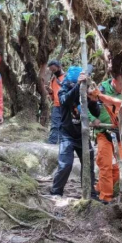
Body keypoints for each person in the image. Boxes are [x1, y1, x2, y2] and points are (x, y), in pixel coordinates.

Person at [50, 66, 99, 198]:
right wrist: (77, 86)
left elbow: (96, 112)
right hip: (67, 134)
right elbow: (65, 100)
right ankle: (56, 191)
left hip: (82, 135)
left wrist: (93, 100)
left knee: (88, 164)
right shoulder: (63, 90)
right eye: (73, 83)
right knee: (66, 164)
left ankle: (89, 193)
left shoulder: (85, 92)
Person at [90, 75, 122, 203]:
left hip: (120, 135)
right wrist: (93, 119)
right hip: (104, 132)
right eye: (121, 85)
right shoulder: (101, 90)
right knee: (105, 164)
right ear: (115, 82)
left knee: (118, 168)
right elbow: (87, 105)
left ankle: (100, 187)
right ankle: (105, 196)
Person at [46, 60, 65, 145]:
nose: (53, 72)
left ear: (59, 67)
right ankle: (52, 143)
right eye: (52, 71)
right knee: (54, 125)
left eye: (54, 70)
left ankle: (63, 143)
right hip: (56, 106)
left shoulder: (67, 77)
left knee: (64, 126)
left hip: (65, 106)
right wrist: (50, 92)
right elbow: (53, 97)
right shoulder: (53, 79)